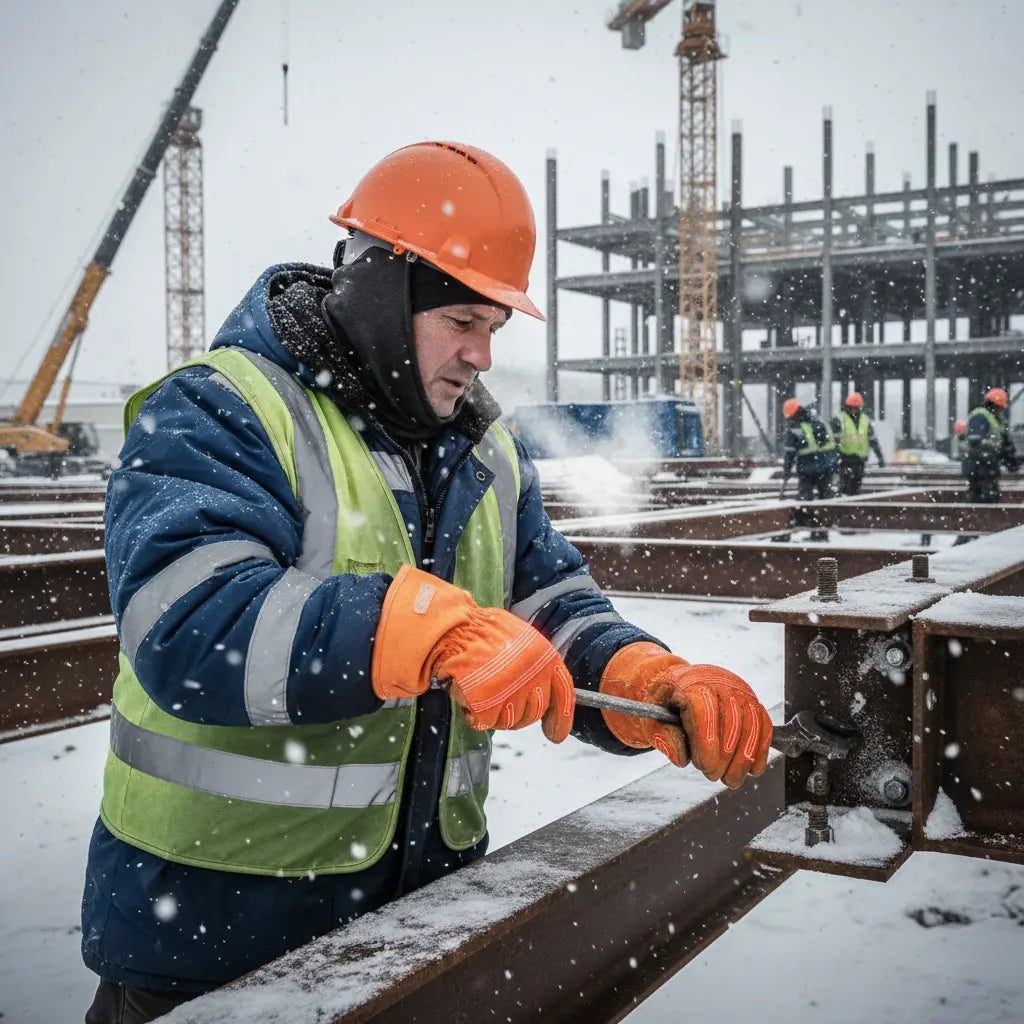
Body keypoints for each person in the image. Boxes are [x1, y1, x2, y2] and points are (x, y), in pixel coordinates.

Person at [80, 141, 774, 1023]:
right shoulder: (223, 408)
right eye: (462, 322)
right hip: (212, 936)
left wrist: (639, 672)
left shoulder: (482, 446)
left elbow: (547, 601)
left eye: (495, 328)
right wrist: (410, 629)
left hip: (421, 929)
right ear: (380, 294)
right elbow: (187, 627)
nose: (483, 355)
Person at [964, 387, 1018, 503]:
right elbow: (976, 442)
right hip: (979, 467)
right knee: (982, 497)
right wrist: (991, 456)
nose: (1001, 411)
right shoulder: (980, 416)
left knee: (990, 496)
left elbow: (1003, 445)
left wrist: (1012, 461)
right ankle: (978, 518)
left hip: (988, 467)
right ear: (995, 406)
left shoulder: (996, 420)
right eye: (1001, 408)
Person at [829, 391, 885, 496]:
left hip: (860, 459)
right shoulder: (840, 419)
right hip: (845, 458)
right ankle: (845, 507)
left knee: (856, 486)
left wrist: (880, 457)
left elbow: (873, 440)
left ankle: (852, 507)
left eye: (856, 408)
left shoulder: (865, 420)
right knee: (845, 486)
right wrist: (835, 458)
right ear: (847, 407)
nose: (854, 410)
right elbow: (834, 442)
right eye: (852, 407)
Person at [780, 397, 837, 500]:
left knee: (805, 497)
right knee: (826, 495)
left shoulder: (793, 428)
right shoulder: (817, 421)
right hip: (823, 465)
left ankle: (805, 514)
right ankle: (827, 513)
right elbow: (829, 444)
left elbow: (790, 452)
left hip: (807, 468)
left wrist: (787, 468)